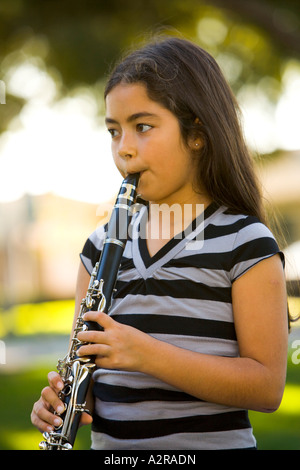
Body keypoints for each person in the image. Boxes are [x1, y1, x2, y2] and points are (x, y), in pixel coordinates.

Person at [31, 36, 289, 450]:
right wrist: (62, 402)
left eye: (143, 127)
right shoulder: (98, 248)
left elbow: (266, 387)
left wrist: (147, 354)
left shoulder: (245, 243)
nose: (124, 149)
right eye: (114, 132)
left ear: (197, 134)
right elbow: (95, 381)